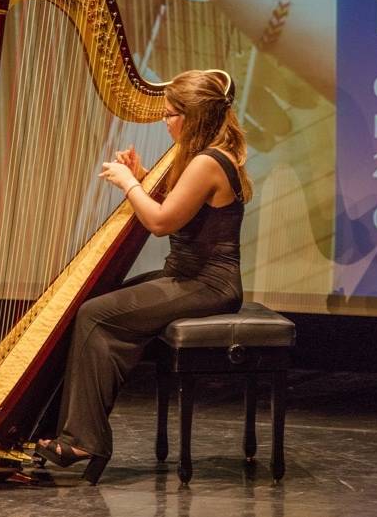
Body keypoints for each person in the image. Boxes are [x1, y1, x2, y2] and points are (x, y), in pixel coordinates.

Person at [36, 69, 253, 484]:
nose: (165, 121)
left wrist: (128, 182)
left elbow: (160, 223)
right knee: (95, 307)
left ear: (192, 117)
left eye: (170, 113)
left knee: (97, 315)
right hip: (186, 277)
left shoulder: (209, 161)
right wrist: (140, 177)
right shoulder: (199, 155)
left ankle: (84, 439)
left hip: (209, 286)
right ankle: (63, 429)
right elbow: (175, 209)